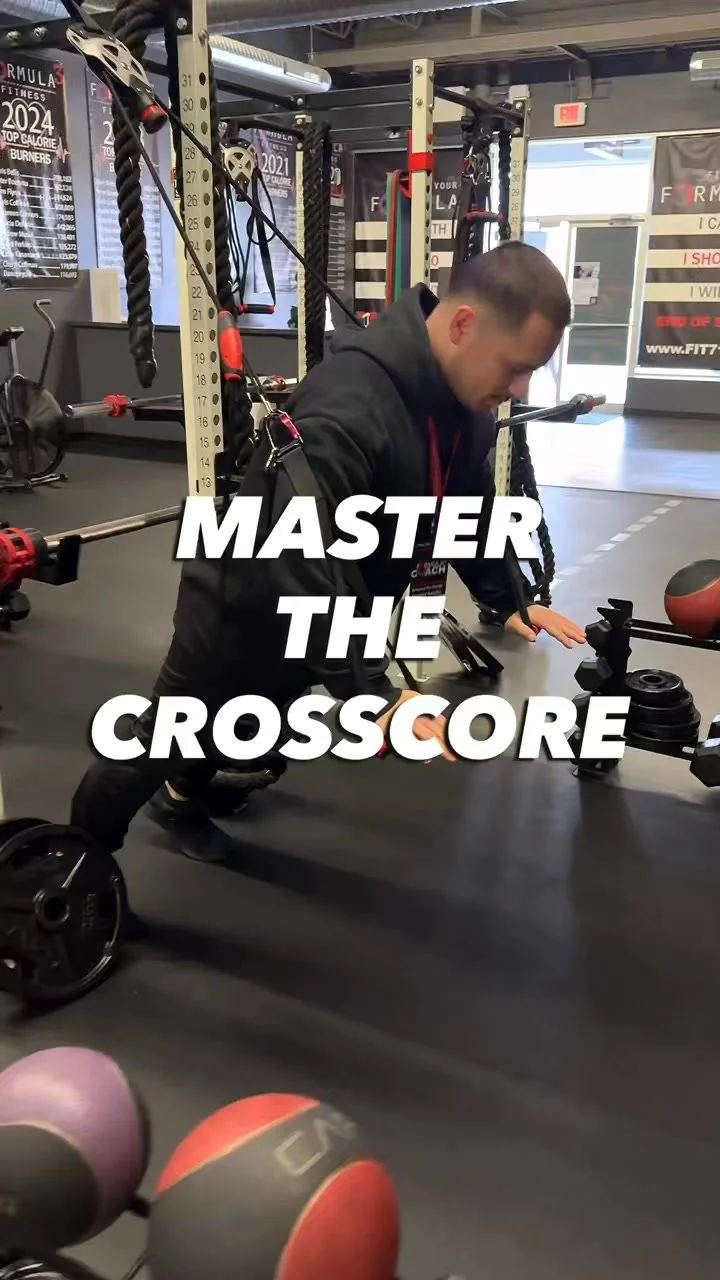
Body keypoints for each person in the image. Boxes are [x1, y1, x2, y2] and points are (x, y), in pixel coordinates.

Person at [71, 240, 586, 868]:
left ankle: (180, 797)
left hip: (329, 604)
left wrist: (511, 600)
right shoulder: (350, 402)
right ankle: (73, 859)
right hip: (244, 603)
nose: (520, 388)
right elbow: (302, 552)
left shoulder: (465, 406)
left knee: (255, 718)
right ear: (462, 326)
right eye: (515, 367)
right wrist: (373, 692)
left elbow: (468, 506)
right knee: (171, 731)